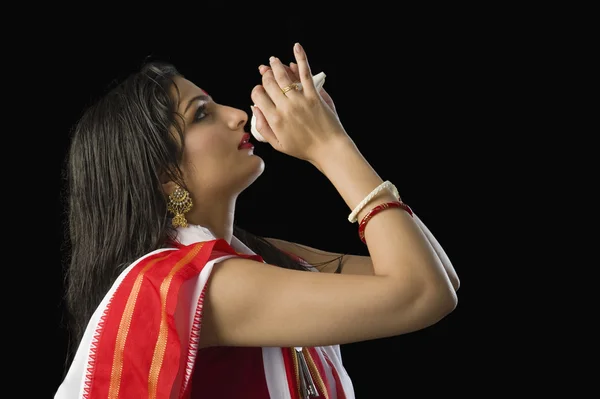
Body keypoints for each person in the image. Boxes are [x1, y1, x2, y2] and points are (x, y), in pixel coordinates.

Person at [55, 42, 460, 399]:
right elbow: (423, 292)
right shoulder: (191, 284)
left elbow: (438, 275)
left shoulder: (261, 259)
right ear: (164, 174)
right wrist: (329, 146)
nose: (235, 115)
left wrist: (336, 138)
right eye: (201, 115)